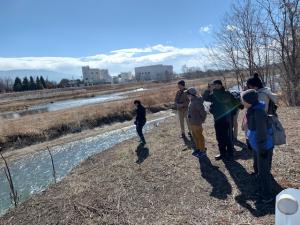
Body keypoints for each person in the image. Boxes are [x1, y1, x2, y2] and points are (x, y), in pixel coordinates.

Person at [241, 89, 274, 203]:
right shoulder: (251, 110)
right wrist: (250, 142)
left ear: (249, 101)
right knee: (259, 169)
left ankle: (267, 195)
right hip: (257, 145)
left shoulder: (258, 112)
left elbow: (261, 133)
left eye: (243, 100)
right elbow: (251, 129)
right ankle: (261, 186)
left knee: (264, 171)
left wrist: (262, 149)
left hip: (263, 146)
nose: (242, 102)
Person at [203, 80, 241, 160]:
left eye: (216, 85)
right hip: (217, 118)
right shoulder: (212, 94)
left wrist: (239, 106)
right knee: (219, 136)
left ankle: (230, 153)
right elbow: (205, 98)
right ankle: (222, 153)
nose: (215, 86)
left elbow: (234, 102)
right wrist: (208, 89)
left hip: (227, 119)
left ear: (220, 85)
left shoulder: (226, 93)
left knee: (228, 136)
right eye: (214, 85)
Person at [186, 87, 207, 158]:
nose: (187, 96)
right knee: (195, 137)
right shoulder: (192, 101)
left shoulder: (197, 102)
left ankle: (203, 150)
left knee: (199, 137)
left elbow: (203, 112)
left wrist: (202, 120)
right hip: (192, 123)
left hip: (197, 123)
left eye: (188, 94)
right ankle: (198, 148)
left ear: (192, 94)